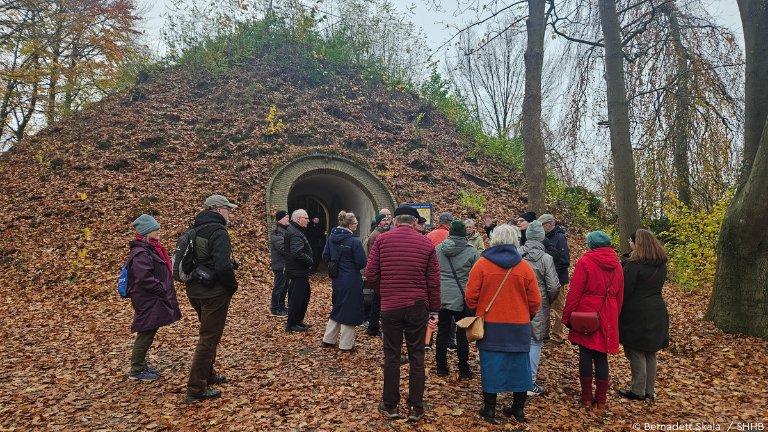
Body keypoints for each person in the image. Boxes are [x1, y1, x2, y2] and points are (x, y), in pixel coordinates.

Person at [366, 206, 441, 422]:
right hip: (418, 306)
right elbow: (433, 281)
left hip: (391, 305)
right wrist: (434, 310)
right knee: (417, 356)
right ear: (415, 222)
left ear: (395, 222)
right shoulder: (426, 243)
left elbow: (371, 273)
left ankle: (390, 405)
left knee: (392, 355)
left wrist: (386, 292)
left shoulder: (381, 241)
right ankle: (416, 408)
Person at [465, 224, 540, 424]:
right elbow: (535, 300)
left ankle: (489, 409)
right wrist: (526, 315)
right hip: (519, 325)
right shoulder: (524, 267)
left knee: (491, 365)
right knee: (520, 367)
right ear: (515, 240)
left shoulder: (482, 265)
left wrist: (478, 312)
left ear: (494, 239)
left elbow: (471, 295)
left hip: (490, 325)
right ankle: (518, 410)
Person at [185, 195, 239, 403]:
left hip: (195, 291)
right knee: (208, 339)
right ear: (218, 210)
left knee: (208, 335)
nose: (229, 213)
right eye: (228, 209)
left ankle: (208, 375)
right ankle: (196, 389)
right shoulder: (218, 232)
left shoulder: (195, 227)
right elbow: (223, 266)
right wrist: (232, 287)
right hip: (213, 293)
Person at [561, 231, 624, 410]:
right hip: (608, 312)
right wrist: (614, 316)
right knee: (602, 356)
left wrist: (567, 316)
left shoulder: (585, 261)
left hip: (586, 312)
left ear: (591, 244)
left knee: (586, 354)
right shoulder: (617, 265)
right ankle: (601, 400)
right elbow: (619, 294)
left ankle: (587, 397)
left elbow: (575, 291)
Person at [126, 214, 182, 381]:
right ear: (146, 232)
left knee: (148, 331)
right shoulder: (140, 252)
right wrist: (161, 290)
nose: (158, 231)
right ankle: (136, 370)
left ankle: (141, 365)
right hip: (148, 299)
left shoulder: (150, 249)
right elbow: (144, 278)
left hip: (151, 298)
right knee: (145, 332)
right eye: (154, 229)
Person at [618, 229, 669, 402]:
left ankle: (637, 390)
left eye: (631, 241)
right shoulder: (661, 266)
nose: (629, 243)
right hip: (657, 311)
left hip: (637, 312)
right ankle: (649, 391)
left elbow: (624, 292)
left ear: (637, 244)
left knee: (635, 350)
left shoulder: (632, 266)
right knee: (650, 352)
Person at [518, 221, 560, 396]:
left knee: (519, 341)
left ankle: (518, 379)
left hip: (518, 300)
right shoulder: (546, 258)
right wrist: (547, 300)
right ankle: (530, 382)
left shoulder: (517, 254)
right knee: (535, 341)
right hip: (539, 301)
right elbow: (553, 286)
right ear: (542, 238)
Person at [435, 220, 479, 379]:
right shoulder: (472, 251)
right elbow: (477, 275)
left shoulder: (438, 249)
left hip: (442, 297)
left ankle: (440, 367)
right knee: (461, 334)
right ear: (464, 234)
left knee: (442, 332)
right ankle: (463, 369)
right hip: (463, 298)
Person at [320, 211, 368, 351]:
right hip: (351, 279)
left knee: (338, 306)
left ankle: (328, 339)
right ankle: (345, 345)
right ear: (349, 225)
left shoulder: (331, 238)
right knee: (350, 309)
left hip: (337, 279)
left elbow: (325, 255)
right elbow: (362, 262)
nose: (356, 226)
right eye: (355, 224)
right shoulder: (354, 242)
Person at [539, 213, 571, 345]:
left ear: (549, 225)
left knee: (558, 309)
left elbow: (564, 261)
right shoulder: (545, 237)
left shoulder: (559, 238)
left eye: (542, 226)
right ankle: (544, 334)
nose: (540, 228)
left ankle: (558, 337)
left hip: (558, 280)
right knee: (544, 307)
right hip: (545, 280)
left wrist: (549, 271)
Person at [284, 209, 315, 332]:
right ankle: (292, 324)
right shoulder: (296, 233)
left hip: (298, 270)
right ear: (298, 219)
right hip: (298, 271)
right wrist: (310, 262)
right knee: (297, 297)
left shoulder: (295, 230)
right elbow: (297, 253)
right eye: (305, 218)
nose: (308, 221)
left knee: (304, 295)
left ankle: (297, 320)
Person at [363, 213, 389, 336]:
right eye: (384, 220)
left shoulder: (380, 234)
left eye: (388, 219)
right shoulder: (376, 236)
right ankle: (373, 327)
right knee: (377, 301)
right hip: (379, 274)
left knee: (377, 301)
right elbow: (376, 257)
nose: (387, 222)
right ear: (378, 223)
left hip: (380, 273)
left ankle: (374, 326)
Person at [269, 210, 290, 318]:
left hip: (285, 264)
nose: (288, 219)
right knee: (279, 287)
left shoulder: (284, 230)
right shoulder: (277, 231)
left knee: (285, 286)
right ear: (280, 218)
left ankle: (281, 306)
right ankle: (275, 309)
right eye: (286, 217)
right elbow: (282, 248)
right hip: (280, 264)